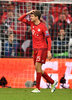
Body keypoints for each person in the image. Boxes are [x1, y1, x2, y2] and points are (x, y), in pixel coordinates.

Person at [18, 10, 57, 93]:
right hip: (35, 49)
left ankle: (37, 88)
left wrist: (49, 51)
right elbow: (20, 19)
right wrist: (28, 12)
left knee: (37, 66)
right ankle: (53, 82)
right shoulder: (31, 24)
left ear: (37, 17)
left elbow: (48, 39)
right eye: (30, 16)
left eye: (32, 16)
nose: (30, 17)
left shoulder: (43, 26)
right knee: (38, 68)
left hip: (42, 49)